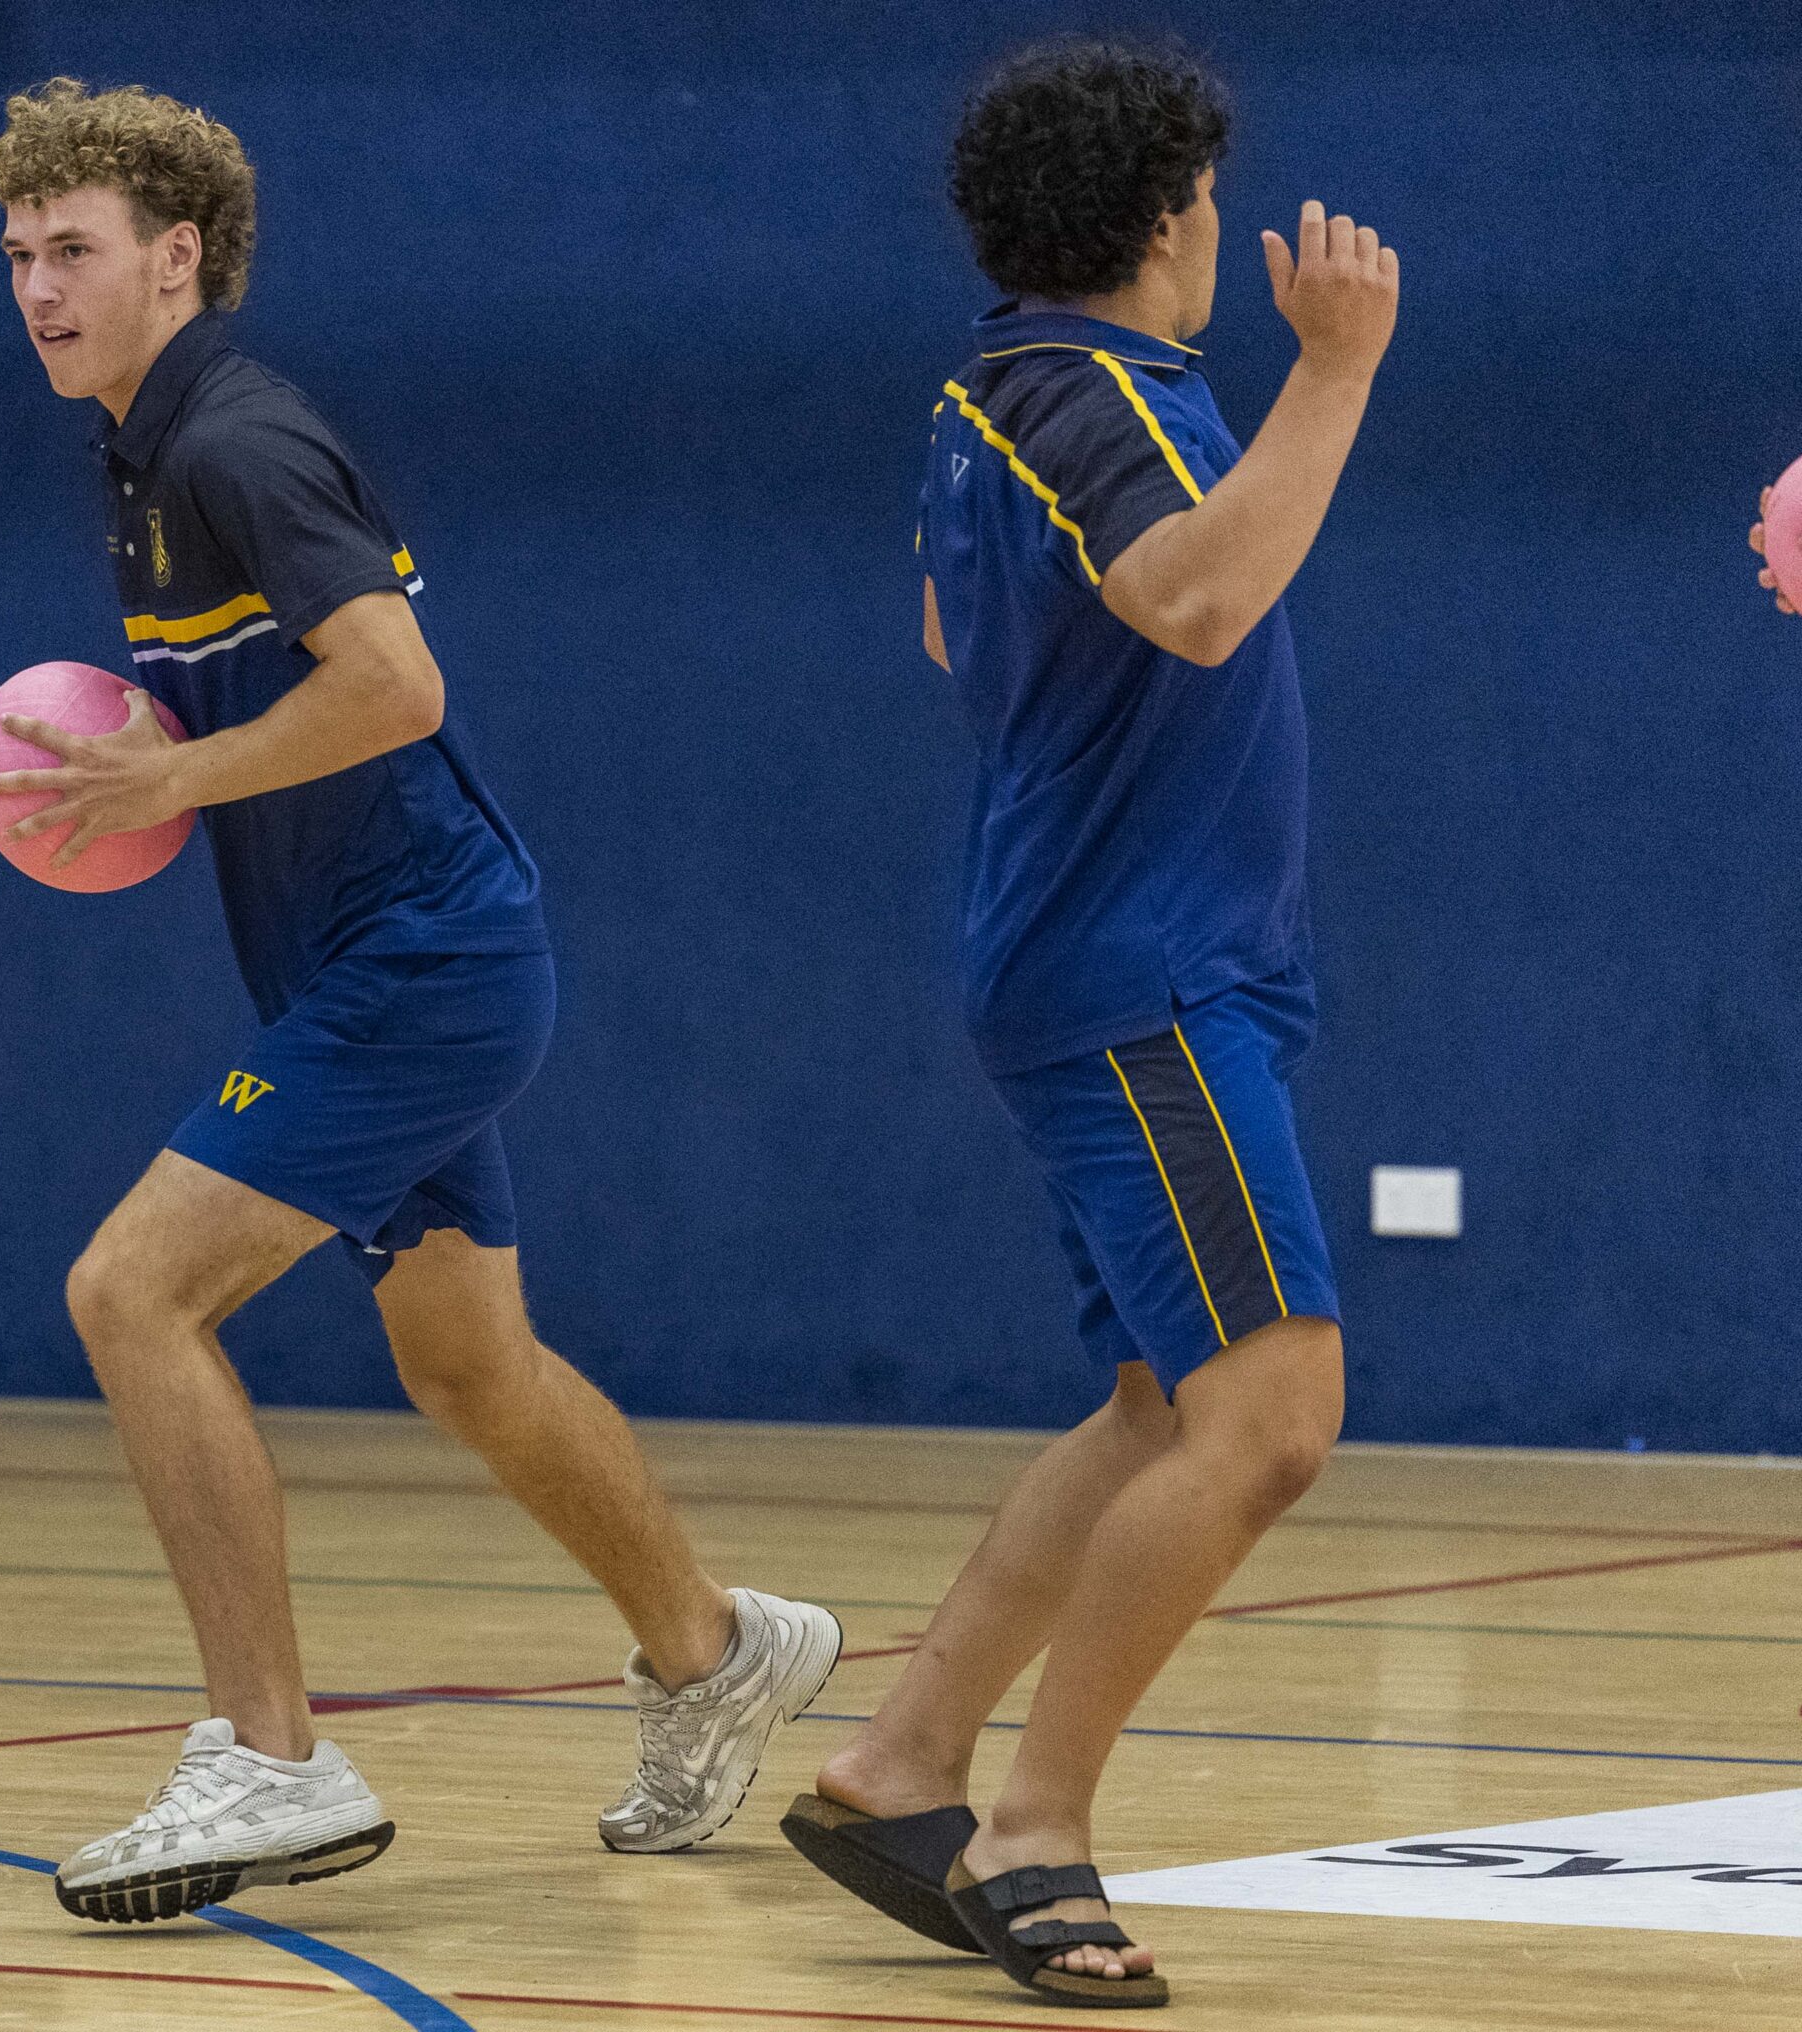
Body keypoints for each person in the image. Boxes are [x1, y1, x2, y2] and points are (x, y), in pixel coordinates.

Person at [0, 79, 842, 1926]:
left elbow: (399, 686)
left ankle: (269, 1759)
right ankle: (712, 1651)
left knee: (129, 1292)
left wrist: (167, 786)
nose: (40, 288)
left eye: (77, 252)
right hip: (387, 958)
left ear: (177, 257)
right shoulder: (142, 450)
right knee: (465, 1363)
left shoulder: (236, 441)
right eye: (21, 256)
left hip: (423, 963)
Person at [778, 39, 1395, 2009]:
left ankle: (902, 1762)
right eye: (1211, 198)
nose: (1225, 226)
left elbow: (966, 633)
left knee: (1157, 1400)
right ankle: (1035, 1823)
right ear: (1163, 219)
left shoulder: (1000, 391)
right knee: (1272, 1419)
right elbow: (1197, 603)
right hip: (1141, 977)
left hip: (1118, 954)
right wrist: (1339, 367)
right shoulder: (1097, 387)